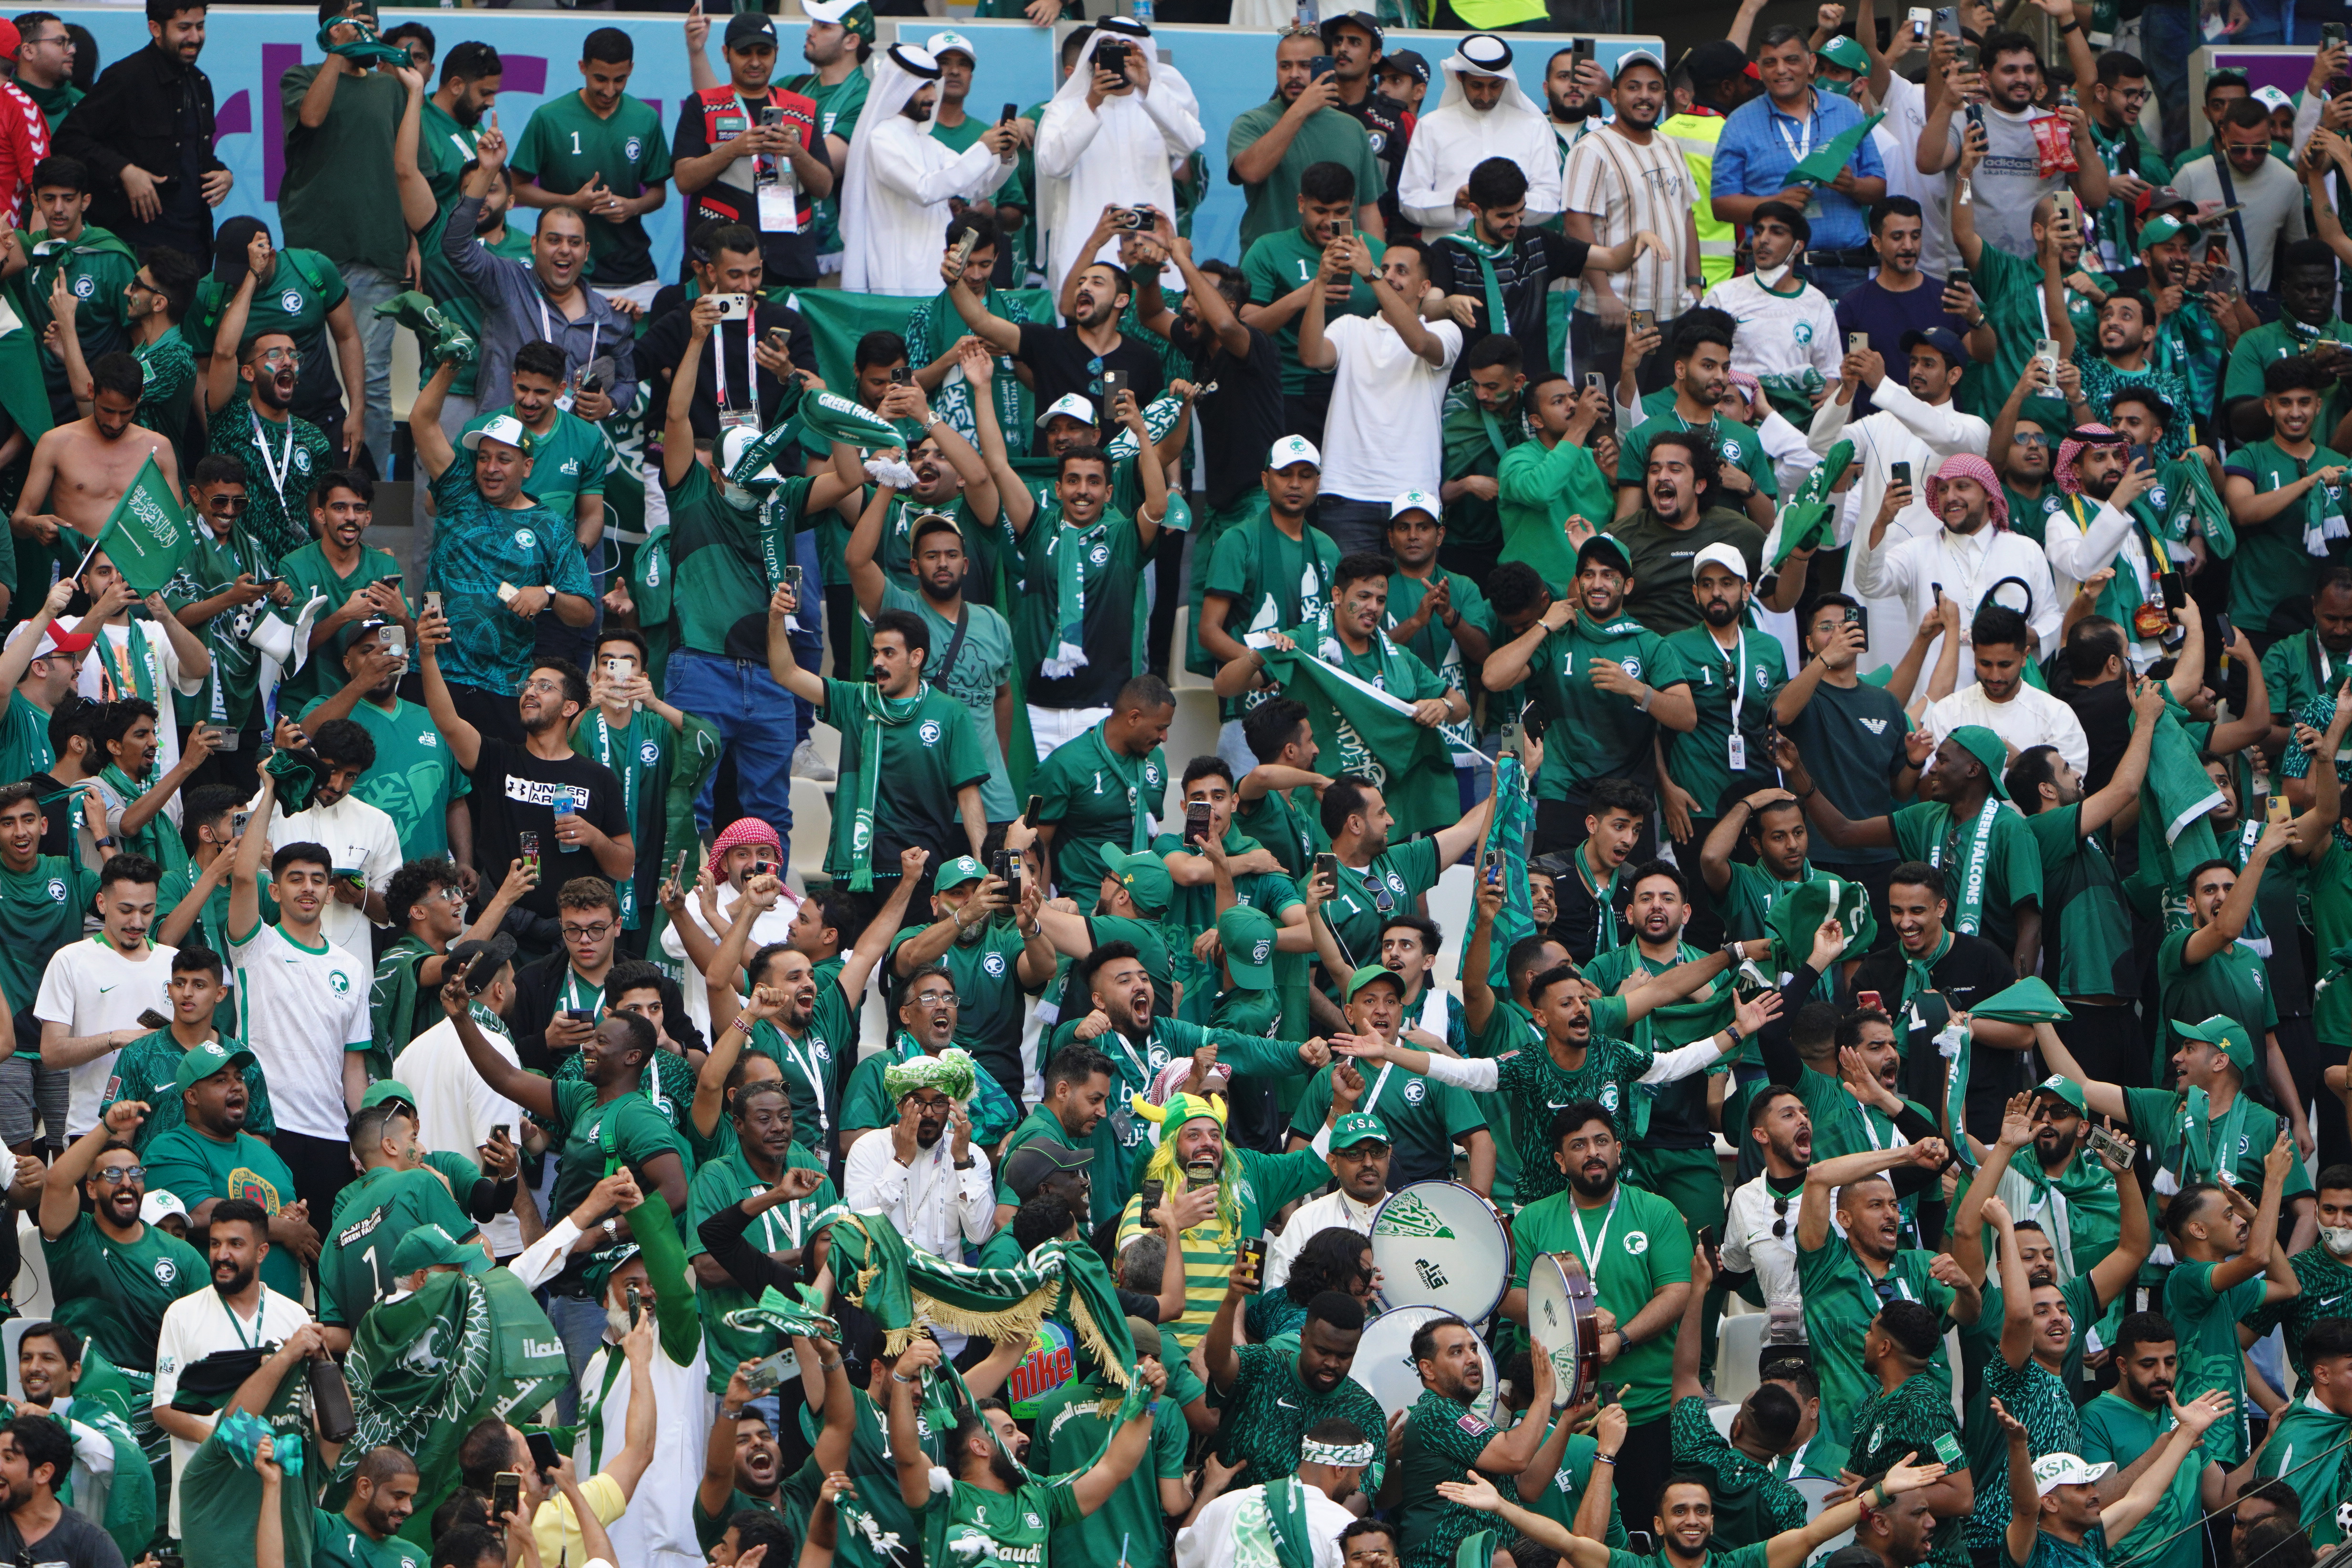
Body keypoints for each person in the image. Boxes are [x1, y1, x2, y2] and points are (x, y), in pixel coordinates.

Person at [1502, 1102, 1700, 1530]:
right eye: (1578, 1145)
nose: (1592, 1152)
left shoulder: (1656, 1211)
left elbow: (1677, 1292)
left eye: (1601, 1141)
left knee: (1641, 1534)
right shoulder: (1533, 1219)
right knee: (1553, 1538)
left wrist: (1621, 1338)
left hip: (1642, 1408)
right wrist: (1580, 1320)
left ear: (1618, 1149)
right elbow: (1509, 1296)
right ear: (1560, 1161)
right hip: (1554, 1412)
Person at [1483, 537, 1697, 853]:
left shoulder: (1649, 644)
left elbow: (1687, 717)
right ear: (1578, 582)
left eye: (1608, 575)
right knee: (1551, 886)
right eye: (1589, 574)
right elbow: (1492, 678)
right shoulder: (1557, 637)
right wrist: (1544, 625)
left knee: (1630, 887)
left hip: (1629, 800)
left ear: (1627, 585)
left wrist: (1636, 689)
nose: (1597, 584)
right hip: (1564, 794)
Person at [437, 111, 637, 426]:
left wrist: (609, 405)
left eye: (574, 243)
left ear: (586, 252)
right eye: (553, 240)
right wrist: (486, 172)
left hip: (567, 447)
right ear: (534, 245)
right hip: (504, 441)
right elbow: (456, 245)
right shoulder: (506, 282)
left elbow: (627, 381)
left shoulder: (608, 315)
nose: (564, 250)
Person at [278, 0, 408, 471]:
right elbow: (311, 118)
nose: (368, 33)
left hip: (379, 255)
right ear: (331, 29)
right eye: (357, 24)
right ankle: (302, 482)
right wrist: (339, 52)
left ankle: (367, 495)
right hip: (312, 257)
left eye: (373, 25)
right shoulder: (300, 77)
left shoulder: (390, 89)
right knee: (301, 378)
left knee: (371, 383)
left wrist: (415, 241)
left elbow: (410, 170)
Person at [148, 1194, 321, 1535]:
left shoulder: (294, 1316)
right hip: (208, 1508)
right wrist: (227, 1440)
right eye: (215, 1244)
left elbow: (311, 1413)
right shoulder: (182, 1314)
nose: (222, 1255)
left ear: (261, 1252)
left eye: (235, 1244)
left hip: (277, 1507)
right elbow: (164, 1409)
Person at [1710, 28, 1887, 301]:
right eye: (1770, 62)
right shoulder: (1739, 122)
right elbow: (1721, 205)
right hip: (1775, 270)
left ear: (1811, 63)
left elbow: (1879, 189)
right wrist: (1774, 203)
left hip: (1845, 269)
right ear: (1760, 69)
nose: (1781, 70)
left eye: (1791, 60)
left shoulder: (1846, 111)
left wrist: (1852, 186)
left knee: (1849, 333)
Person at [1031, 18, 1202, 295]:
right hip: (1085, 251)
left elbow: (1189, 143)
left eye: (1128, 49)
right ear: (1094, 57)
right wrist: (1092, 103)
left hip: (1152, 250)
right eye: (1110, 48)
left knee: (1156, 319)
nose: (1120, 57)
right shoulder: (1065, 110)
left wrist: (1148, 87)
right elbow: (1053, 166)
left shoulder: (1158, 106)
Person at [508, 28, 669, 311]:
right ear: (583, 67)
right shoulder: (549, 118)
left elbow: (658, 192)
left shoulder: (646, 118)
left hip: (635, 273)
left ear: (631, 69)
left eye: (620, 80)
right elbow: (515, 189)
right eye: (600, 79)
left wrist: (633, 207)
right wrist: (571, 202)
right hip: (567, 273)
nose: (610, 90)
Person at [839, 43, 1016, 296]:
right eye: (924, 87)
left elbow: (976, 187)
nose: (934, 96)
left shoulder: (929, 144)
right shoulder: (881, 139)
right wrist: (982, 149)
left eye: (933, 86)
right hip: (899, 271)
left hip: (939, 269)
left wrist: (1004, 155)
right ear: (900, 88)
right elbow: (924, 190)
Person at [53, 1, 228, 257]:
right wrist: (124, 171)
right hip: (137, 242)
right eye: (184, 28)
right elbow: (68, 139)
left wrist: (223, 174)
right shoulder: (125, 78)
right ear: (155, 29)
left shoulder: (200, 83)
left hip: (194, 243)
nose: (195, 37)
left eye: (200, 27)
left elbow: (195, 156)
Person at [673, 11, 830, 293]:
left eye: (764, 52)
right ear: (726, 54)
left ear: (776, 53)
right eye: (745, 53)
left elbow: (824, 187)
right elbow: (684, 180)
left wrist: (796, 152)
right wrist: (732, 150)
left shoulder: (802, 109)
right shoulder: (703, 105)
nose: (755, 62)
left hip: (791, 261)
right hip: (721, 263)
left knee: (785, 324)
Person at [1392, 1315, 1554, 1568]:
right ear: (1428, 1369)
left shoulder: (1472, 1419)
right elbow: (1516, 1456)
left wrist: (1566, 1423)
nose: (1472, 1358)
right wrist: (1543, 1395)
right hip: (1442, 1560)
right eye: (1457, 1352)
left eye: (1474, 1349)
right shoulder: (1437, 1411)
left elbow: (1527, 1489)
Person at [33, 851, 172, 1143]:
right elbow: (52, 1053)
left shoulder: (175, 961)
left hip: (166, 1130)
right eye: (126, 910)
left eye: (147, 911)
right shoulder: (70, 960)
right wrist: (116, 1038)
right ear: (101, 903)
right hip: (93, 1127)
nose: (137, 922)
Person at [1228, 30, 1386, 252]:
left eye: (1305, 66)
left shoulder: (1352, 128)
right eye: (1285, 66)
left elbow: (1367, 210)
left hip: (1338, 263)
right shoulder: (1252, 123)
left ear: (1326, 68)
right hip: (1273, 265)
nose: (1294, 75)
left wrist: (1376, 266)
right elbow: (1251, 172)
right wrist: (1300, 110)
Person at [1397, 35, 1558, 241]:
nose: (1486, 96)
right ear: (1460, 77)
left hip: (1514, 253)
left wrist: (1508, 203)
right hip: (1447, 252)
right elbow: (1409, 201)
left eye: (1495, 85)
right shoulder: (1431, 126)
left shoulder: (1533, 127)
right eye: (1476, 86)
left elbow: (1550, 200)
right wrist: (1454, 200)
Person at [1176, 1415, 1369, 1568]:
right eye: (1359, 1474)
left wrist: (1209, 1490)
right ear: (1340, 1469)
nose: (1358, 1485)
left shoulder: (1227, 1504)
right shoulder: (1343, 1528)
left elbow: (1181, 1559)